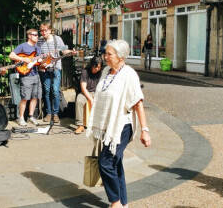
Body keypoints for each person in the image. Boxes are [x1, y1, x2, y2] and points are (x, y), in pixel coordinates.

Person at [86, 39, 151, 208]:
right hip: (109, 126)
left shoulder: (129, 75)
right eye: (105, 53)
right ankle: (123, 202)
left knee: (106, 163)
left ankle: (115, 202)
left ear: (121, 57)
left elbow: (138, 103)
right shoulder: (107, 71)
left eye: (109, 54)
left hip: (122, 126)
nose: (105, 57)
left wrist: (145, 130)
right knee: (115, 163)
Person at [37, 23, 76, 124]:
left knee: (55, 91)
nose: (43, 32)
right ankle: (48, 113)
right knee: (46, 91)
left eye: (45, 30)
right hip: (44, 68)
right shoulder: (39, 41)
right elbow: (37, 54)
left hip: (56, 68)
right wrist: (42, 61)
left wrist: (70, 52)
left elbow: (63, 50)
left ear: (50, 30)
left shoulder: (57, 39)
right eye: (42, 31)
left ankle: (55, 114)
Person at [9, 28, 42, 126]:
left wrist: (46, 60)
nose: (37, 37)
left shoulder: (37, 48)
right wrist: (24, 59)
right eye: (35, 35)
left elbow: (39, 62)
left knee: (35, 97)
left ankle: (31, 116)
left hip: (36, 75)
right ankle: (21, 117)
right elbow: (11, 55)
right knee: (25, 98)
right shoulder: (22, 46)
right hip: (26, 76)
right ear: (29, 35)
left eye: (37, 35)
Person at [74, 56, 102, 134]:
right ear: (92, 65)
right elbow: (83, 88)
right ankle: (80, 125)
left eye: (99, 67)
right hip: (85, 92)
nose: (97, 69)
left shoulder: (101, 72)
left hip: (96, 92)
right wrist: (91, 99)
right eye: (95, 67)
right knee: (79, 101)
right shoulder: (85, 72)